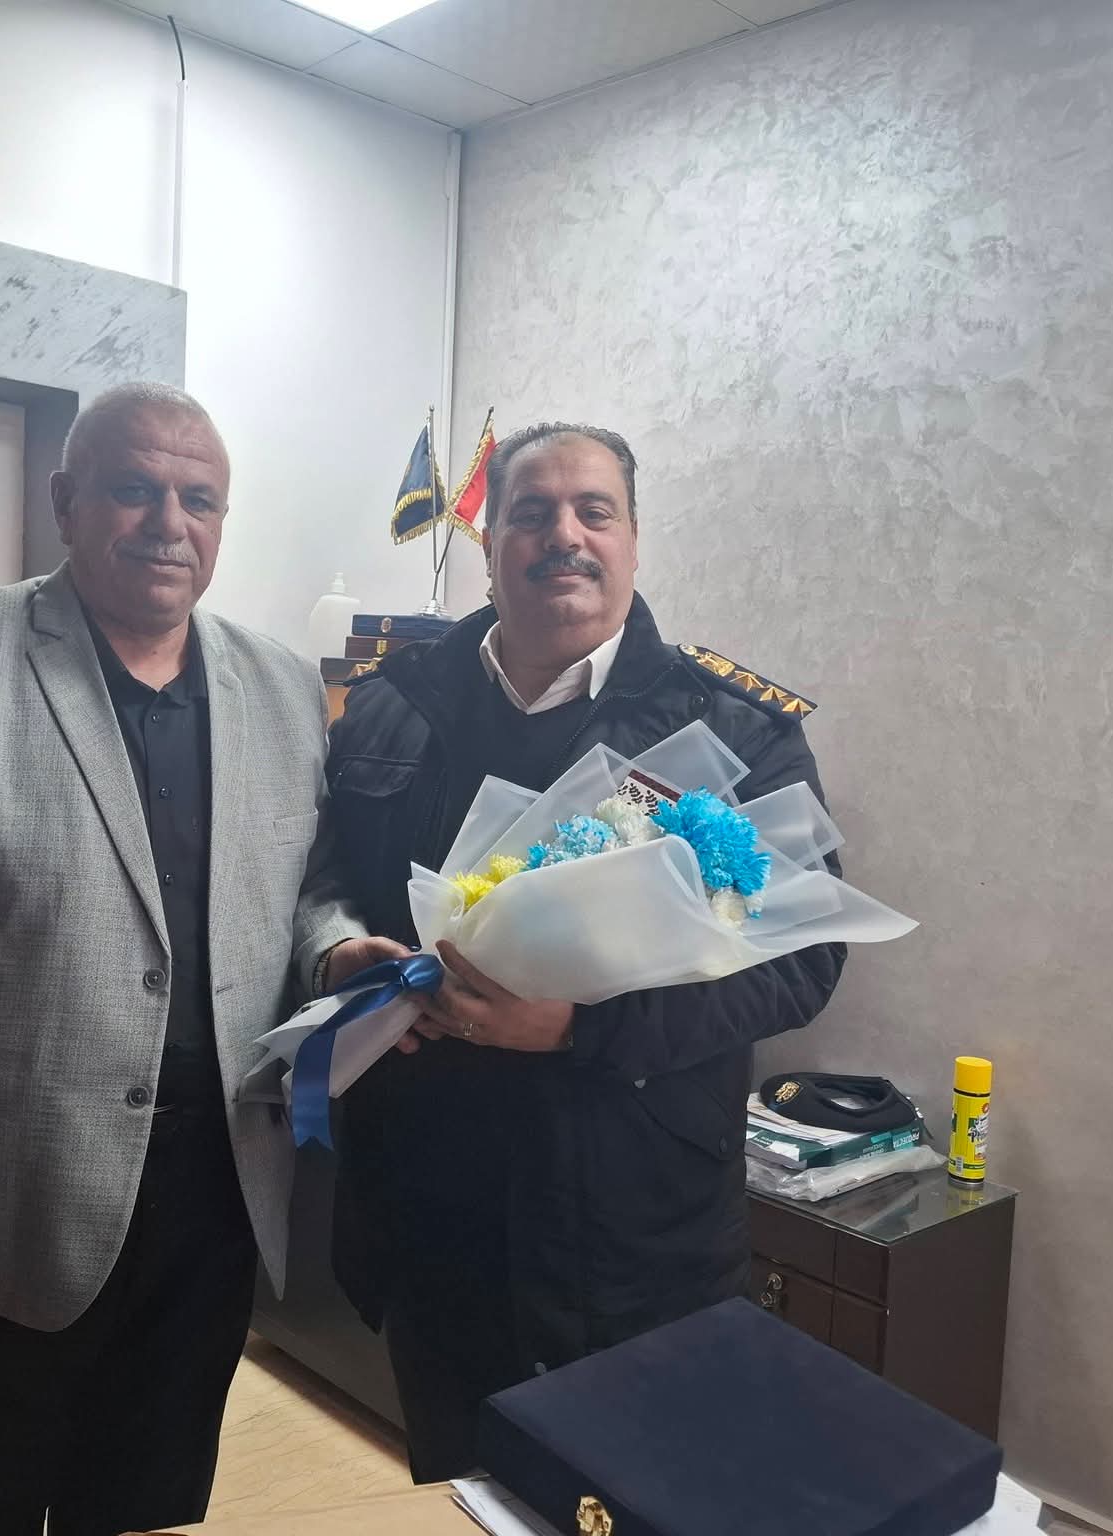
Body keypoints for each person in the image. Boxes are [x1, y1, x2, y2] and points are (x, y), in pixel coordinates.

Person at [0, 384, 392, 1536]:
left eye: (198, 499)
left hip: (211, 1205)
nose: (168, 523)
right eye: (133, 490)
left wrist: (337, 950)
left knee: (137, 1507)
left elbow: (301, 888)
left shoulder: (278, 686)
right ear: (65, 503)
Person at [322, 421, 848, 1482]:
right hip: (434, 1225)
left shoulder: (731, 729)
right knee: (466, 1494)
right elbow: (324, 877)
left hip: (635, 1236)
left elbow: (804, 960)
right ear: (490, 545)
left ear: (632, 539)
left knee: (639, 1504)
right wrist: (336, 952)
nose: (563, 535)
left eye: (592, 511)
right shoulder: (389, 707)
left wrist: (581, 1029)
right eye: (531, 513)